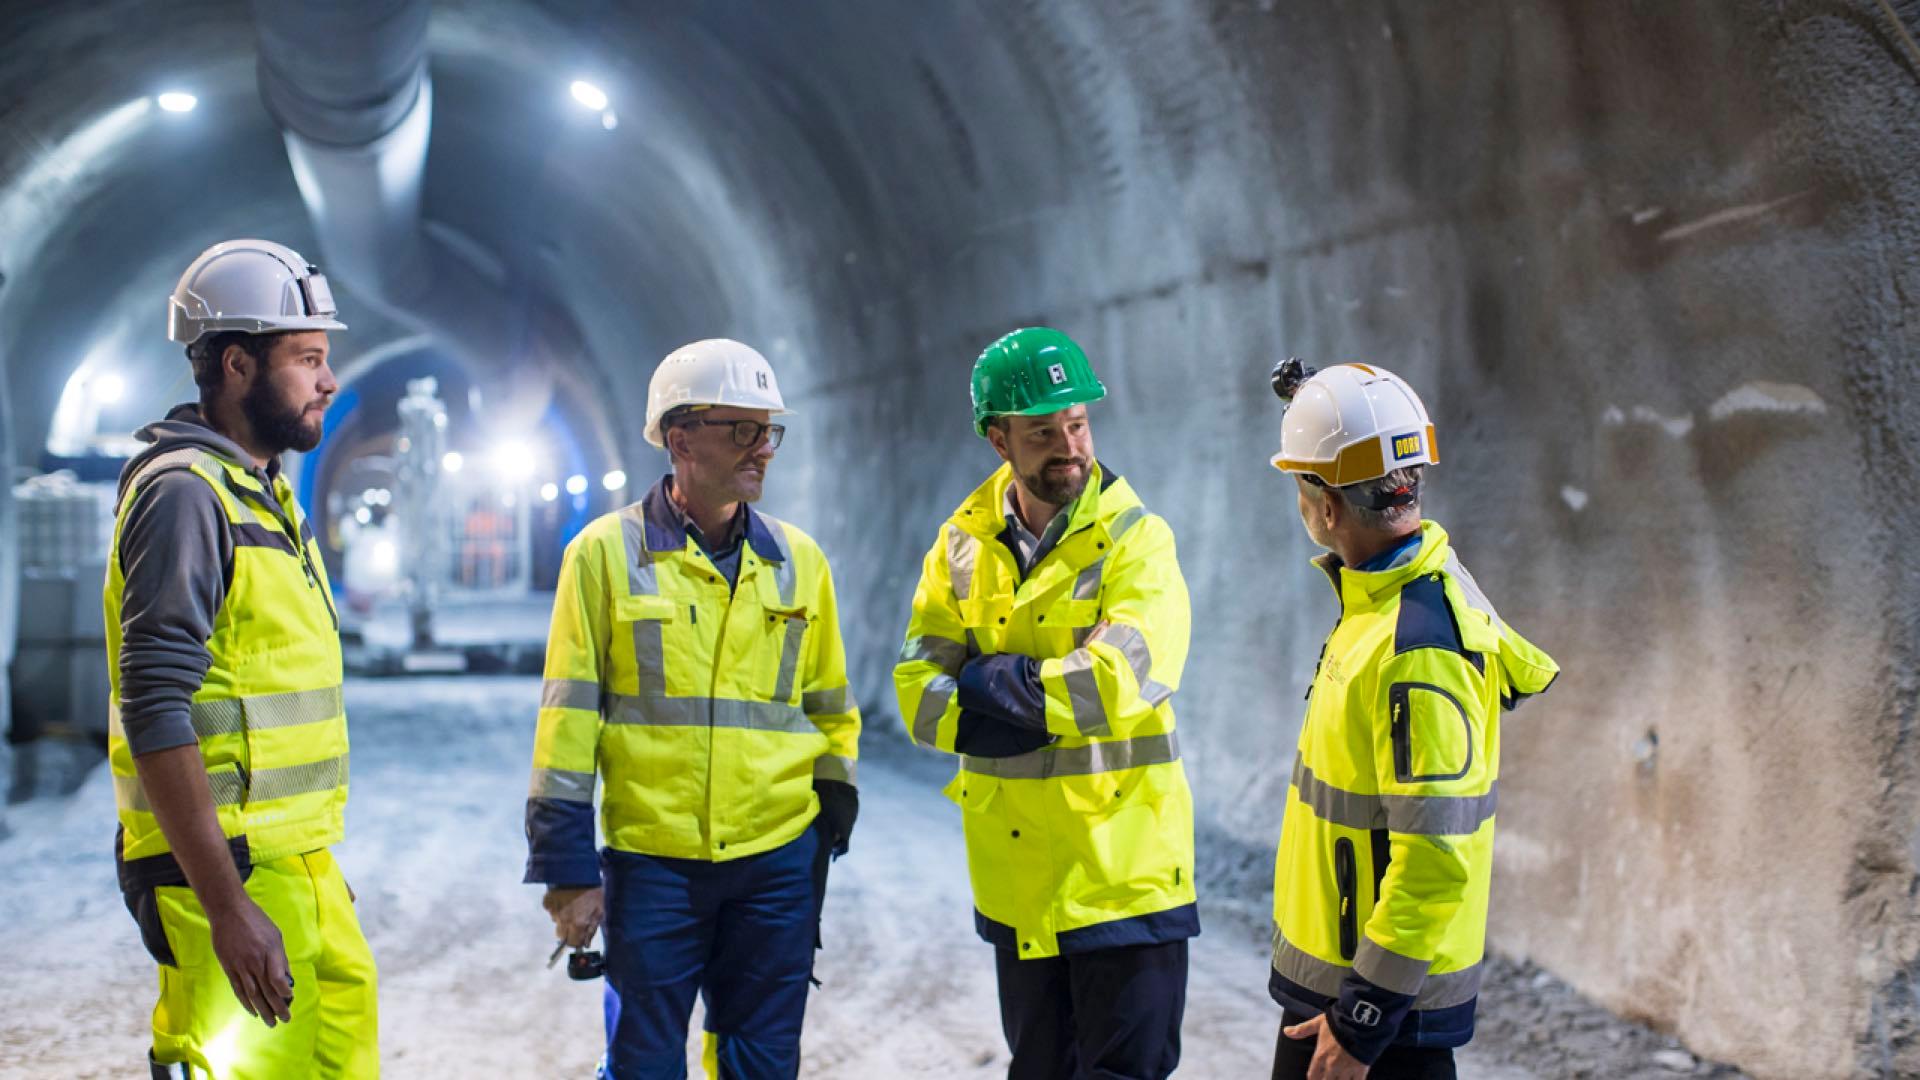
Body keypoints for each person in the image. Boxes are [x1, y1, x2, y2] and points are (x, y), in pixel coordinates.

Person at [525, 339, 861, 1079]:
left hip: (775, 861)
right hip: (653, 863)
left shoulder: (800, 562)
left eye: (767, 430)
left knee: (763, 1062)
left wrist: (830, 807)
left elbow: (831, 703)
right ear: (679, 438)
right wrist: (566, 865)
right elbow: (568, 719)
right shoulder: (604, 557)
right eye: (740, 428)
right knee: (643, 1063)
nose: (761, 449)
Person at [894, 326, 1196, 1080]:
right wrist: (1042, 683)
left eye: (1078, 424)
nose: (1069, 446)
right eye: (1043, 432)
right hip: (1019, 884)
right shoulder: (959, 548)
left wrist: (989, 679)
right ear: (998, 440)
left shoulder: (1136, 541)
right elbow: (918, 698)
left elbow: (1117, 684)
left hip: (1124, 881)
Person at [106, 239, 377, 1078]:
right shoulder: (186, 494)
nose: (329, 380)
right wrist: (227, 907)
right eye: (308, 358)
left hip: (296, 863)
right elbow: (154, 705)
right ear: (236, 365)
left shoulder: (261, 491)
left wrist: (307, 871)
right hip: (224, 875)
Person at [1264, 362, 1559, 1080]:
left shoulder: (1419, 647)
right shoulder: (1377, 607)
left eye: (1302, 480)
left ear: (1326, 504)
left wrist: (1361, 1020)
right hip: (1344, 990)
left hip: (1381, 1021)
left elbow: (1434, 857)